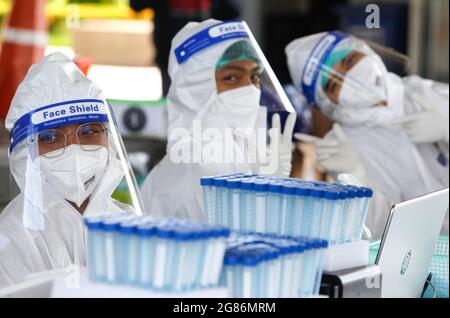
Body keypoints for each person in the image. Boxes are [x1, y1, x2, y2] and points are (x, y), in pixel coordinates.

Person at [286, 31, 449, 240]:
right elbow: (380, 233)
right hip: (432, 257)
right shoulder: (346, 147)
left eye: (349, 60)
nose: (350, 77)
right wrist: (356, 176)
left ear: (365, 51)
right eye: (334, 85)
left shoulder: (423, 92)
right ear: (327, 103)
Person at [0, 53, 136, 286]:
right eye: (51, 136)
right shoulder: (11, 242)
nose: (74, 149)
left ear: (109, 141)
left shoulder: (130, 224)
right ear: (26, 153)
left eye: (88, 131)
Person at [141, 19, 296, 221]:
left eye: (255, 77)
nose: (250, 89)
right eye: (232, 77)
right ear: (196, 90)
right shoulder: (178, 180)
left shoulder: (248, 155)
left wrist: (270, 187)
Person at [129, 0, 239, 96]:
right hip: (171, 57)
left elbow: (232, 12)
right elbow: (136, 4)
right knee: (173, 106)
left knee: (201, 106)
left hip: (203, 58)